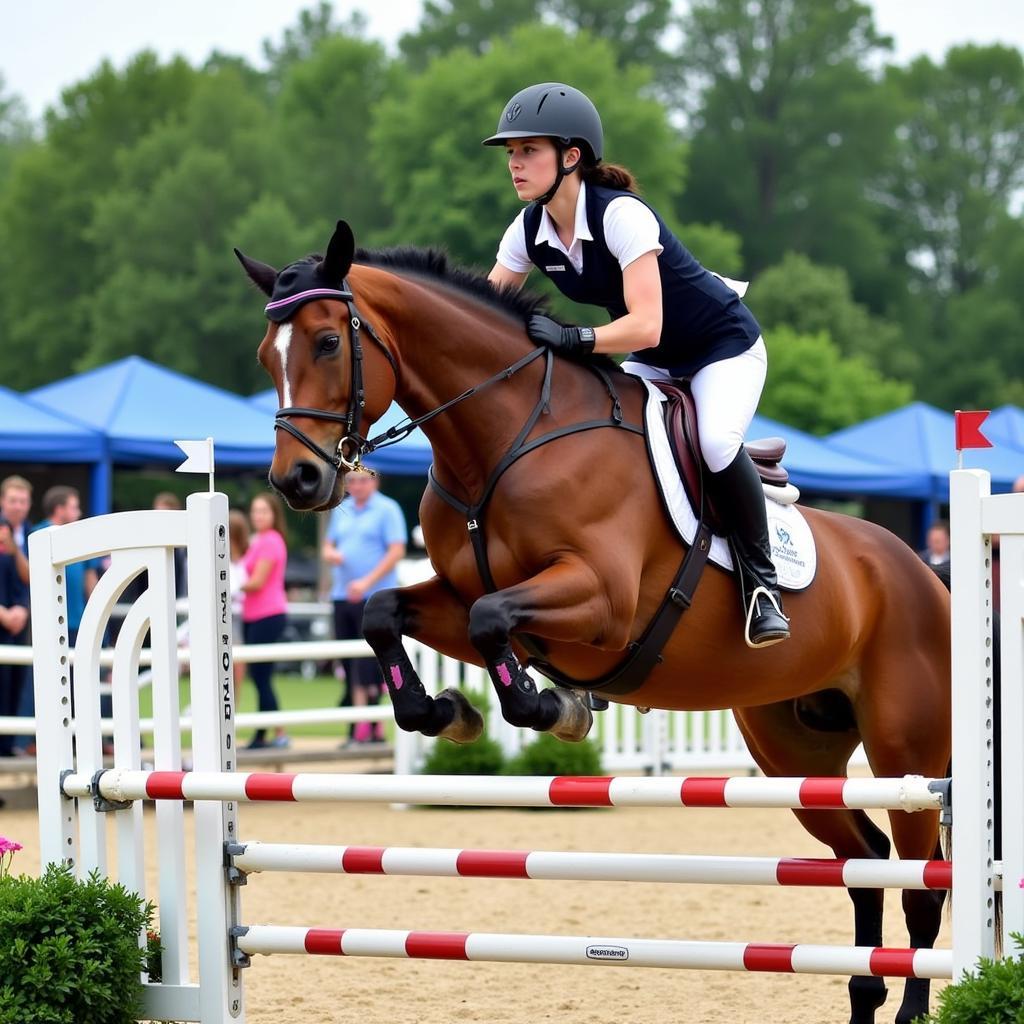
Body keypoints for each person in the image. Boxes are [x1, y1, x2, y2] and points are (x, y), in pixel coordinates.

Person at [483, 83, 789, 647]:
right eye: (511, 153)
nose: (515, 164)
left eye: (529, 150)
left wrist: (574, 336)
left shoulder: (622, 215)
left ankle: (761, 584)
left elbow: (646, 323)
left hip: (722, 346)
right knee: (608, 442)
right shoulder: (526, 230)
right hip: (655, 358)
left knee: (717, 442)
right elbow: (482, 316)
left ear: (571, 157)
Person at [322, 471, 407, 743]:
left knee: (370, 661)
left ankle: (371, 723)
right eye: (352, 481)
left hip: (373, 595)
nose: (356, 486)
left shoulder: (387, 509)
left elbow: (396, 551)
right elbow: (327, 545)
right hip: (342, 594)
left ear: (375, 481)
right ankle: (356, 724)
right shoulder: (342, 509)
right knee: (347, 662)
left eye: (362, 480)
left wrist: (367, 581)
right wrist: (331, 554)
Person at [240, 493, 289, 750]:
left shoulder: (270, 541)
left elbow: (257, 582)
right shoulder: (257, 540)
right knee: (260, 677)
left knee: (261, 676)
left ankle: (266, 734)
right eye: (255, 510)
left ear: (273, 514)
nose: (258, 515)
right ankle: (274, 732)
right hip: (254, 615)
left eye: (263, 511)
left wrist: (228, 585)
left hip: (267, 614)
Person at [0, 517, 29, 757]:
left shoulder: (13, 549)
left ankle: (7, 747)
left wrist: (22, 609)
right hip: (5, 623)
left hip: (15, 629)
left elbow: (27, 580)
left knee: (13, 687)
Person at [228, 509, 250, 695]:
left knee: (237, 664)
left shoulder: (246, 558)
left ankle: (235, 704)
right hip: (230, 613)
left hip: (240, 614)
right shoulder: (220, 559)